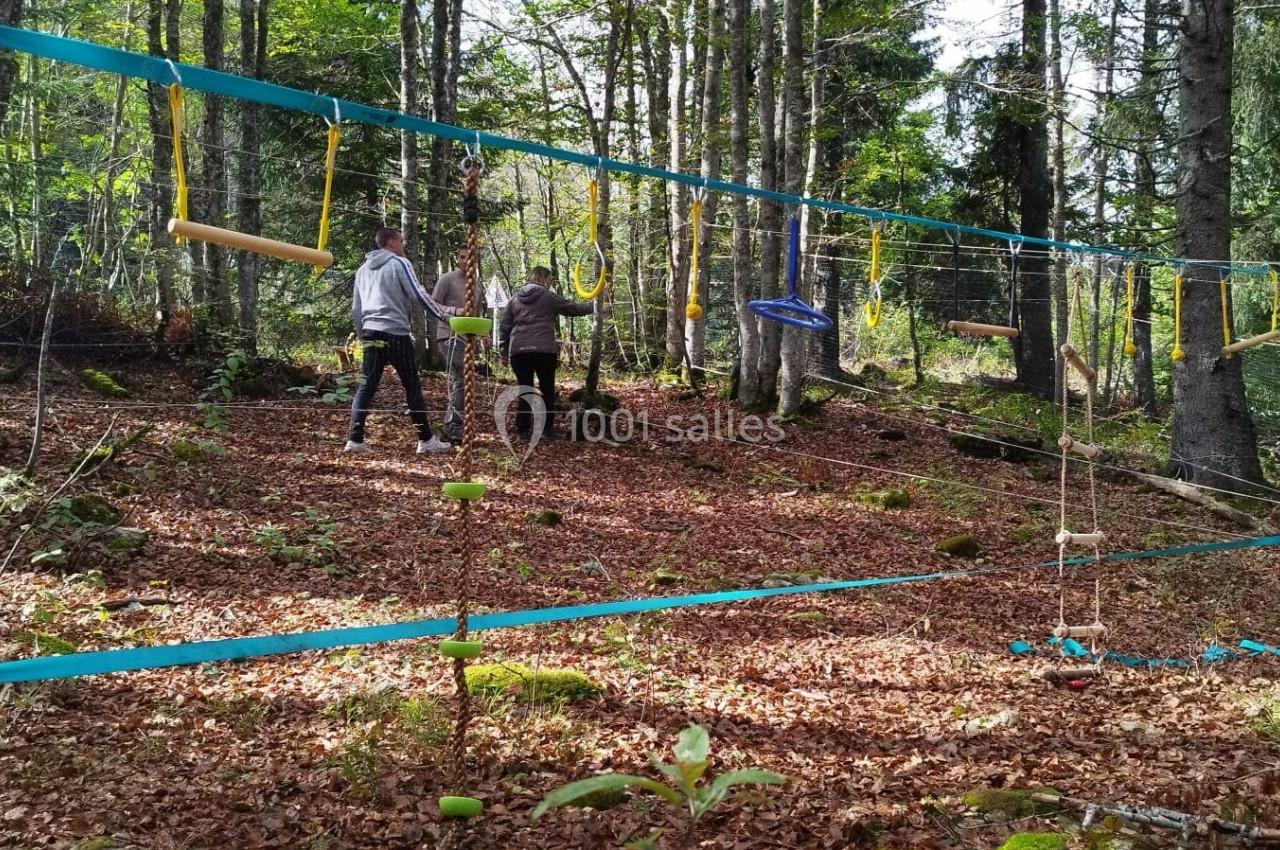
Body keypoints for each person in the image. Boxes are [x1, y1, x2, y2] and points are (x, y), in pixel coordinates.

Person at [345, 227, 457, 455]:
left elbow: (357, 308)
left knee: (366, 387)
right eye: (402, 241)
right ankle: (425, 440)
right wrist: (446, 316)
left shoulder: (362, 270)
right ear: (392, 243)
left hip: (370, 334)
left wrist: (362, 332)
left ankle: (354, 440)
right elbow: (419, 294)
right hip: (395, 333)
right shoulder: (399, 263)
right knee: (412, 386)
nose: (403, 245)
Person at [499, 266, 594, 439]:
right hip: (543, 350)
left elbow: (504, 326)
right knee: (547, 390)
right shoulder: (548, 297)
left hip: (519, 351)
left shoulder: (514, 299)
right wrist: (595, 305)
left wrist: (503, 351)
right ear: (544, 278)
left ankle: (523, 429)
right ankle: (545, 429)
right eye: (549, 280)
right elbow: (572, 309)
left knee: (525, 389)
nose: (550, 283)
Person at [432, 252, 487, 444]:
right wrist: (455, 312)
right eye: (463, 257)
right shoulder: (447, 279)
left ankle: (457, 425)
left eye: (470, 257)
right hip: (449, 336)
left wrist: (484, 335)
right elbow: (432, 304)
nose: (466, 261)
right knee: (462, 379)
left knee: (467, 382)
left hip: (468, 339)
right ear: (457, 259)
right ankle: (453, 428)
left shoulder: (477, 285)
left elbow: (477, 313)